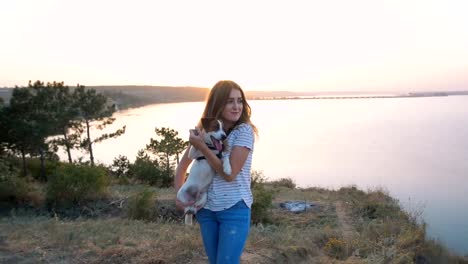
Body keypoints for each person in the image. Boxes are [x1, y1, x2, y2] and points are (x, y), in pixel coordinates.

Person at [174, 80, 257, 264]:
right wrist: (180, 196)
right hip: (206, 209)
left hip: (234, 209)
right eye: (229, 101)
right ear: (217, 104)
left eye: (240, 101)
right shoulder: (204, 132)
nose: (237, 107)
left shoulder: (243, 131)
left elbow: (229, 175)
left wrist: (202, 148)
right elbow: (182, 166)